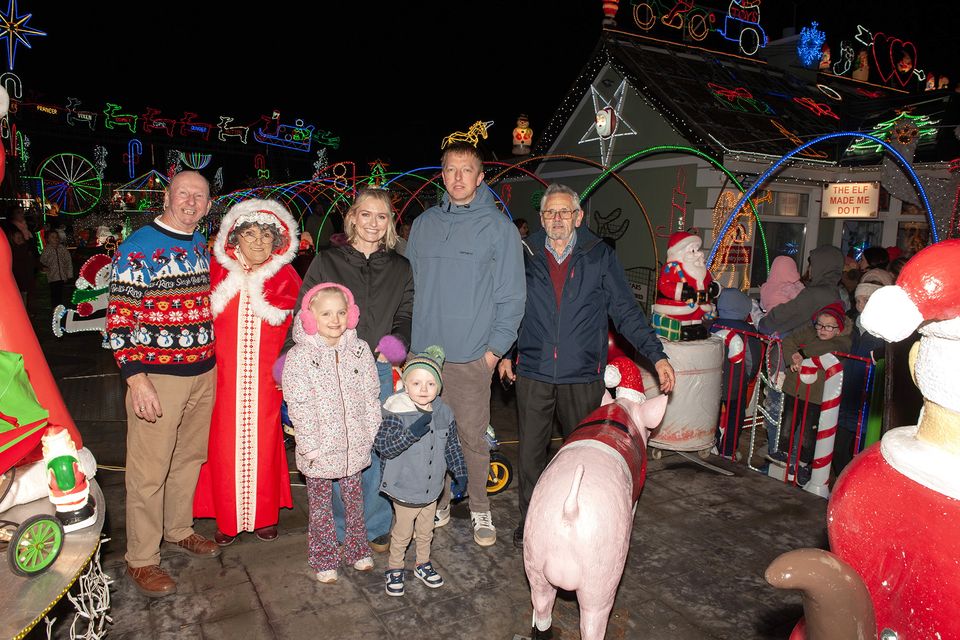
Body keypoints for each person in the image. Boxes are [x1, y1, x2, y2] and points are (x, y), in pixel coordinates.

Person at [497, 183, 675, 548]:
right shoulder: (525, 254)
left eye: (564, 212)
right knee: (531, 453)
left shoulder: (599, 255)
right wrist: (505, 351)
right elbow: (511, 308)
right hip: (534, 370)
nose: (557, 219)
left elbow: (625, 310)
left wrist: (656, 354)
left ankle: (580, 522)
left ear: (578, 217)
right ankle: (531, 519)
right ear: (542, 219)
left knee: (585, 453)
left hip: (582, 374)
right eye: (550, 213)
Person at [405, 141, 525, 547]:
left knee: (473, 440)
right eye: (451, 169)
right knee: (429, 436)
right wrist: (408, 350)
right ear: (442, 175)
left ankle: (480, 511)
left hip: (472, 357)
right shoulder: (424, 226)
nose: (458, 177)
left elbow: (512, 297)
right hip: (424, 359)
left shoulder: (499, 229)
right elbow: (413, 289)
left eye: (466, 170)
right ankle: (437, 503)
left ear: (480, 177)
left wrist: (493, 352)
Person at [106, 170, 219, 598]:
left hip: (202, 372)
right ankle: (141, 559)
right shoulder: (139, 247)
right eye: (183, 194)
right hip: (159, 377)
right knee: (147, 471)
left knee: (188, 459)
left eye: (200, 196)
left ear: (209, 206)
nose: (191, 202)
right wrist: (137, 379)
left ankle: (178, 528)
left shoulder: (197, 245)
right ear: (167, 197)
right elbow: (118, 320)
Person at [289, 187, 413, 553]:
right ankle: (340, 525)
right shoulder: (328, 260)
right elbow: (305, 310)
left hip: (374, 370)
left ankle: (372, 524)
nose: (373, 223)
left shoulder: (400, 266)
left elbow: (405, 313)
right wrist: (296, 358)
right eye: (366, 214)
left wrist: (395, 345)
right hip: (328, 369)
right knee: (332, 449)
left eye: (382, 216)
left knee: (369, 449)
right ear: (353, 217)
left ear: (390, 222)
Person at [193, 199, 301, 546]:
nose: (258, 242)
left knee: (268, 446)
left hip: (269, 385)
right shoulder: (216, 273)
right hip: (221, 382)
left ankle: (264, 515)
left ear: (277, 241)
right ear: (234, 237)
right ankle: (227, 518)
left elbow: (303, 330)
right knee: (222, 446)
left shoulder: (286, 277)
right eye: (250, 234)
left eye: (265, 236)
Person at [282, 283, 382, 584]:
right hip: (320, 450)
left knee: (355, 501)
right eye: (326, 313)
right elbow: (297, 403)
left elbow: (371, 393)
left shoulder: (360, 349)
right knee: (321, 508)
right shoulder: (299, 357)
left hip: (354, 446)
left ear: (351, 315)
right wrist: (310, 445)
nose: (335, 319)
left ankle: (356, 548)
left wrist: (370, 431)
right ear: (310, 318)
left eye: (341, 312)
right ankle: (324, 556)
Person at [375, 346, 467, 596]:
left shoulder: (444, 412)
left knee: (427, 531)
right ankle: (394, 568)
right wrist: (410, 434)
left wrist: (460, 472)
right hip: (405, 488)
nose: (424, 389)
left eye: (430, 383)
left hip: (432, 489)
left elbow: (452, 446)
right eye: (416, 382)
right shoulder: (396, 409)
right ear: (406, 383)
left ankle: (422, 564)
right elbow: (383, 447)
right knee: (403, 533)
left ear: (439, 387)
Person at [769, 302, 852, 486]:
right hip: (795, 388)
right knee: (788, 422)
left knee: (808, 431)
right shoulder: (810, 332)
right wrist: (793, 358)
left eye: (829, 327)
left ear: (838, 329)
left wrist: (803, 353)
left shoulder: (842, 341)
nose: (822, 329)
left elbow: (829, 349)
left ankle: (804, 463)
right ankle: (783, 452)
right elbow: (789, 340)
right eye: (820, 325)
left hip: (816, 395)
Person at [710, 288, 761, 460]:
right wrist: (749, 376)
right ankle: (728, 449)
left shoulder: (712, 326)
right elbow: (752, 359)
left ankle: (711, 442)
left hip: (713, 382)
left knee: (711, 414)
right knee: (735, 416)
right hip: (736, 383)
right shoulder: (748, 332)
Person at [39, 232, 74, 308]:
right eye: (52, 237)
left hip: (63, 275)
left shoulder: (63, 249)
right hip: (53, 276)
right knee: (55, 294)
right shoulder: (47, 250)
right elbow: (42, 260)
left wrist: (69, 274)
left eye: (56, 237)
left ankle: (62, 308)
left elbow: (68, 261)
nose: (55, 238)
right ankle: (55, 308)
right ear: (48, 239)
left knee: (63, 294)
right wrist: (44, 267)